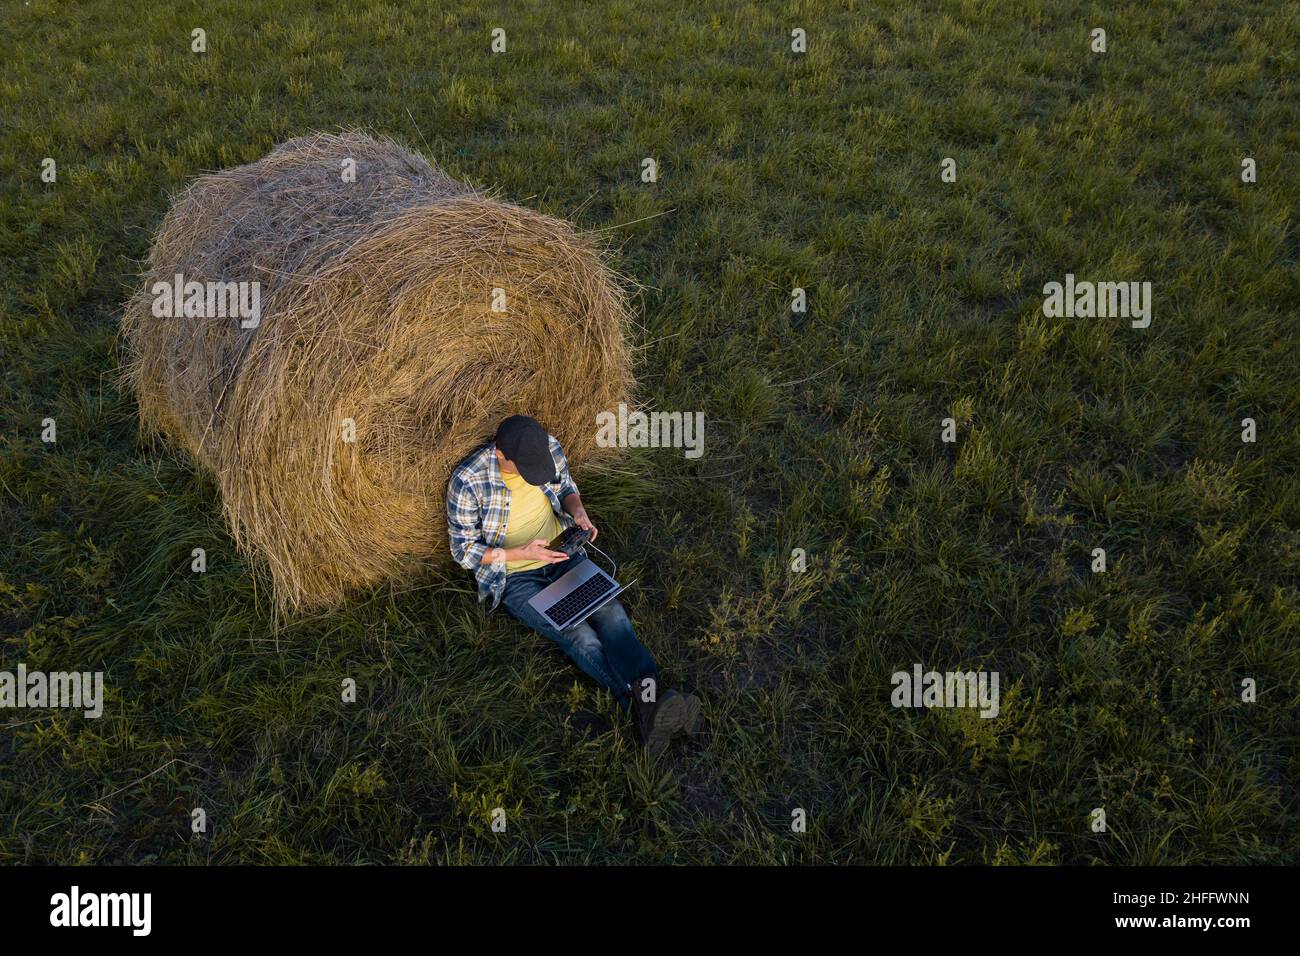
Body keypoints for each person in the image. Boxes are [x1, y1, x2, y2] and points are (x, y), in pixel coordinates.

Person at [447, 415, 700, 754]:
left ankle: (649, 708)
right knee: (576, 630)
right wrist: (520, 552)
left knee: (609, 610)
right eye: (525, 468)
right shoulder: (468, 481)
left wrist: (578, 512)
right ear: (500, 455)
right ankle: (650, 705)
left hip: (563, 550)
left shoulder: (545, 446)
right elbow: (463, 551)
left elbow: (566, 488)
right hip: (517, 576)